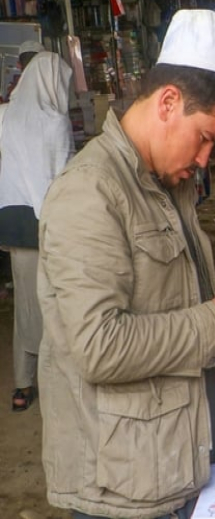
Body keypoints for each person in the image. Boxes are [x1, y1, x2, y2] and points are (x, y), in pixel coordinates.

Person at [36, 10, 215, 519]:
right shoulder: (90, 192)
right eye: (205, 137)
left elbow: (168, 298)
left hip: (170, 466)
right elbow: (99, 347)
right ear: (168, 102)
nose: (207, 158)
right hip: (123, 491)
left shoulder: (171, 185)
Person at [0, 51, 74, 412]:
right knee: (55, 301)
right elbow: (64, 175)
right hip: (49, 220)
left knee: (26, 303)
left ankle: (22, 384)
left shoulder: (6, 114)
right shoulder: (55, 121)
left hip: (13, 220)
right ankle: (55, 376)